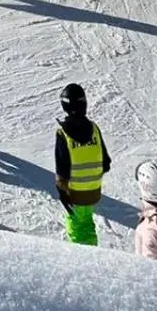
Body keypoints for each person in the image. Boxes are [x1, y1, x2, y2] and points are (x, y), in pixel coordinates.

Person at [53, 83, 111, 245]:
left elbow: (62, 170)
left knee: (77, 228)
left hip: (74, 193)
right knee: (86, 223)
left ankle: (84, 259)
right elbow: (106, 163)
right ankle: (92, 249)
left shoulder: (63, 134)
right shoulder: (94, 129)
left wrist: (62, 191)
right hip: (93, 191)